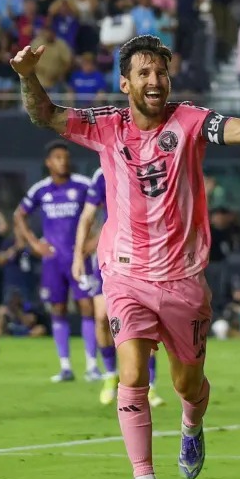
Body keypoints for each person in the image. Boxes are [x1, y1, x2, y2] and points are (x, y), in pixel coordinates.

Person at [10, 34, 240, 479]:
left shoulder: (190, 120)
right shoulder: (105, 126)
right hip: (125, 275)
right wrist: (29, 76)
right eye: (144, 73)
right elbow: (44, 115)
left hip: (182, 280)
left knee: (188, 384)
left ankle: (192, 426)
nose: (154, 80)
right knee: (131, 374)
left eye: (160, 72)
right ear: (125, 83)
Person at [74, 167, 164, 408]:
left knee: (148, 322)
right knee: (102, 318)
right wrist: (77, 255)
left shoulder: (150, 164)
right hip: (110, 257)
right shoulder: (103, 172)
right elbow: (88, 215)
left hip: (146, 256)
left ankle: (151, 386)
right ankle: (110, 375)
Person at [13, 142, 99, 383]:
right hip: (53, 260)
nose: (63, 161)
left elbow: (107, 209)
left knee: (87, 307)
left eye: (66, 157)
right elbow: (19, 214)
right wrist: (33, 243)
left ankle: (92, 366)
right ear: (49, 162)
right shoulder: (41, 190)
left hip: (79, 258)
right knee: (58, 309)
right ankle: (65, 366)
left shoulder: (83, 185)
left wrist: (95, 241)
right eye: (58, 157)